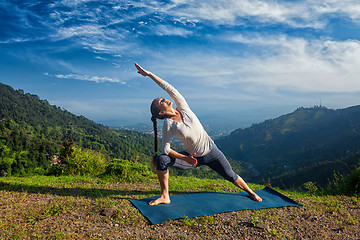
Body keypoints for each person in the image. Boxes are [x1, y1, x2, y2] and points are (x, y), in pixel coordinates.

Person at [135, 62, 262, 205]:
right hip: (193, 158)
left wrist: (150, 74)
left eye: (162, 98)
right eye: (161, 101)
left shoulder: (183, 108)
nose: (165, 99)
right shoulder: (168, 125)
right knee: (161, 159)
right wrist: (186, 158)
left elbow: (169, 88)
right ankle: (165, 196)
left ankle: (250, 192)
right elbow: (166, 149)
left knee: (230, 175)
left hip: (212, 152)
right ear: (161, 112)